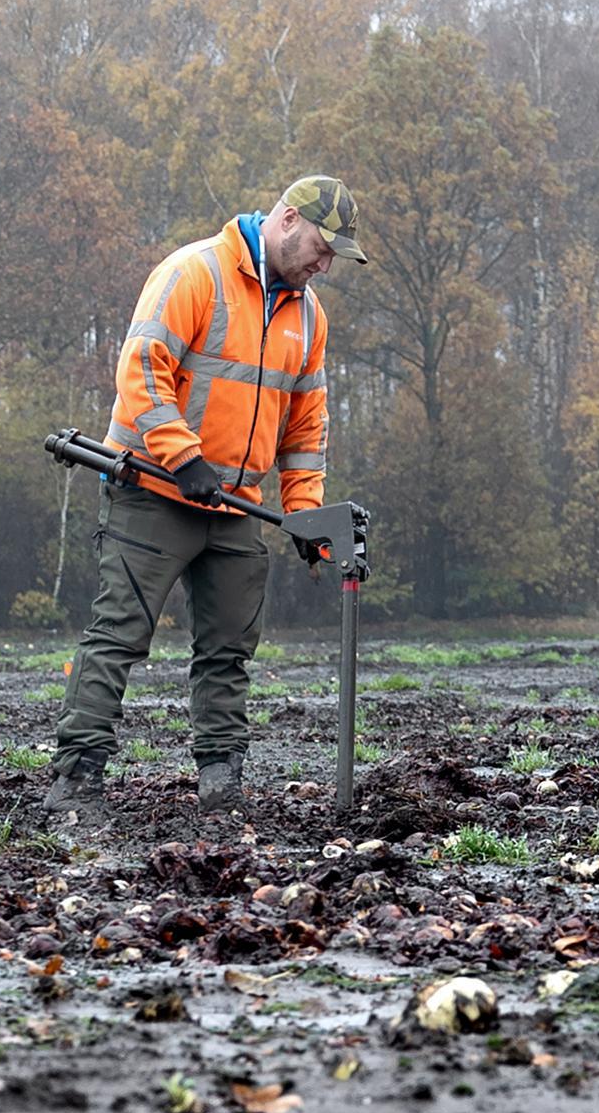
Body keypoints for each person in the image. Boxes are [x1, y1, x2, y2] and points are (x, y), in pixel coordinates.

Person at [42, 176, 365, 818]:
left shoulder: (310, 317)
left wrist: (305, 515)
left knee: (229, 650)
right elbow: (141, 368)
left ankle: (221, 786)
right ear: (289, 220)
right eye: (322, 249)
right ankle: (76, 781)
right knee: (119, 635)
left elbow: (305, 430)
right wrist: (182, 455)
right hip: (152, 490)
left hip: (236, 505)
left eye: (334, 257)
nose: (325, 265)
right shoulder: (195, 273)